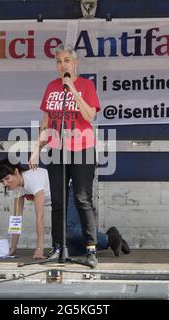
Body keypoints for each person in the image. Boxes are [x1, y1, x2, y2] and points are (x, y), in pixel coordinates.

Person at [29, 43, 102, 267]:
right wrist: (36, 150)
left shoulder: (86, 85)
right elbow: (46, 122)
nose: (63, 65)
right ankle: (58, 248)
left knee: (82, 200)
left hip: (82, 149)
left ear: (75, 63)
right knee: (58, 202)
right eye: (59, 62)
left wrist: (73, 90)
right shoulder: (51, 87)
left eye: (66, 61)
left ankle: (91, 250)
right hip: (57, 150)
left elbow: (90, 117)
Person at [0, 158, 131, 259]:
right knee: (70, 249)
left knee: (69, 230)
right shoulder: (16, 190)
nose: (6, 184)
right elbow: (16, 221)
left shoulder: (32, 179)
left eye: (7, 178)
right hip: (60, 201)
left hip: (70, 192)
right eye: (3, 182)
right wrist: (13, 248)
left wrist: (39, 249)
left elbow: (40, 218)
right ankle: (108, 237)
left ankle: (109, 239)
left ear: (17, 172)